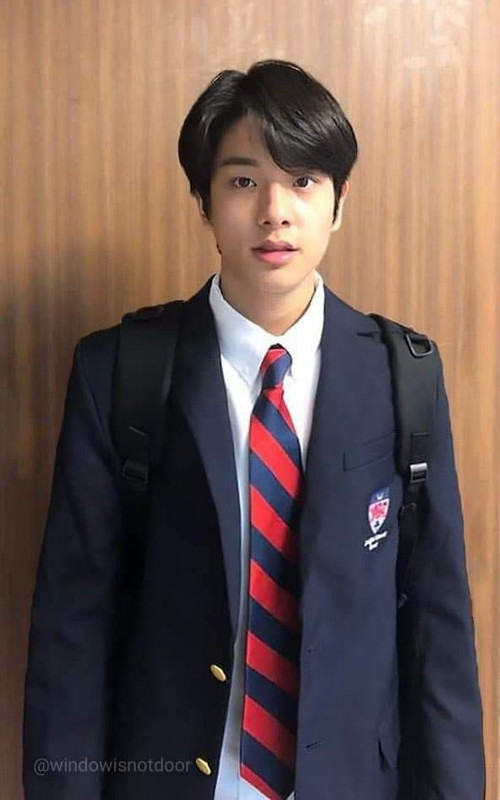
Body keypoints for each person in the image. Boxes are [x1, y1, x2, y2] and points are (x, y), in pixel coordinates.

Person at [23, 59, 485, 800]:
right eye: (243, 181)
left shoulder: (403, 374)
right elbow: (71, 632)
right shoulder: (119, 372)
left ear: (338, 202)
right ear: (204, 203)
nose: (275, 211)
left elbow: (438, 627)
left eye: (303, 180)